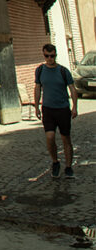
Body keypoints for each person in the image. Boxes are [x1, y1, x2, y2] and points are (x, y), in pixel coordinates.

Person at [34, 43, 78, 178]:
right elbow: (37, 88)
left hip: (62, 109)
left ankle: (69, 167)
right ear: (44, 55)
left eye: (52, 56)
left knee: (66, 138)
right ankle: (55, 162)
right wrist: (36, 106)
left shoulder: (63, 71)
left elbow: (72, 89)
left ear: (55, 55)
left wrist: (74, 106)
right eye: (46, 56)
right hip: (48, 109)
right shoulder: (40, 70)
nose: (49, 58)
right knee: (50, 137)